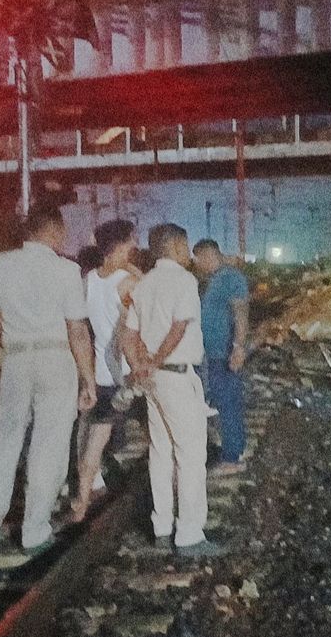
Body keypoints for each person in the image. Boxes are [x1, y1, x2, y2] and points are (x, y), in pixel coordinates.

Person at [0, 206, 96, 553]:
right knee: (49, 443)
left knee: (6, 442)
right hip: (55, 358)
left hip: (15, 360)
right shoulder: (67, 270)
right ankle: (34, 528)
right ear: (54, 232)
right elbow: (78, 331)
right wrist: (88, 379)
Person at [124, 224, 219, 556]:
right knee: (191, 455)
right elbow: (180, 326)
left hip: (152, 381)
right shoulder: (184, 281)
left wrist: (139, 365)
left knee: (161, 452)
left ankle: (162, 526)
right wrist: (157, 359)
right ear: (177, 247)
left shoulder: (144, 284)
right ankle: (190, 533)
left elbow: (128, 333)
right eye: (186, 246)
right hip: (176, 375)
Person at [70, 221, 140, 522]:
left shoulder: (89, 281)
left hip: (102, 375)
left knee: (95, 442)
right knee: (160, 433)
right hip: (131, 373)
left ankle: (81, 505)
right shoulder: (128, 282)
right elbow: (133, 329)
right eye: (131, 241)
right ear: (122, 244)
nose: (134, 246)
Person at [192, 239, 250, 475]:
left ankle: (231, 458)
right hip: (212, 353)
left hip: (223, 352)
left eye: (198, 260)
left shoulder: (230, 278)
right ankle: (233, 449)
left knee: (227, 402)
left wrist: (238, 347)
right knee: (223, 401)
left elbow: (241, 312)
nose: (196, 265)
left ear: (207, 255)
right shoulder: (214, 279)